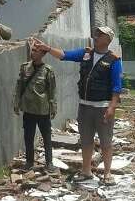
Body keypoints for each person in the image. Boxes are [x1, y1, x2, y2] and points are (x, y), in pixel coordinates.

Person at [33, 26, 122, 185]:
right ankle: (86, 171)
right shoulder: (86, 53)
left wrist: (112, 108)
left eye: (100, 34)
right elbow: (64, 55)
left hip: (102, 107)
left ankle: (107, 174)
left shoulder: (114, 60)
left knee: (106, 142)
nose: (96, 35)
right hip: (85, 106)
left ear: (108, 39)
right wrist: (47, 48)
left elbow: (117, 87)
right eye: (96, 33)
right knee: (86, 141)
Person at [13, 41, 57, 172]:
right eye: (32, 50)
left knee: (46, 137)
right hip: (28, 109)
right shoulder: (25, 68)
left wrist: (53, 107)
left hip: (42, 110)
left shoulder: (48, 70)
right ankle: (29, 162)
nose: (32, 53)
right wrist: (16, 103)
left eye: (35, 51)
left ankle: (49, 162)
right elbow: (19, 86)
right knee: (28, 137)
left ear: (42, 54)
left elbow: (52, 91)